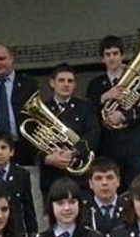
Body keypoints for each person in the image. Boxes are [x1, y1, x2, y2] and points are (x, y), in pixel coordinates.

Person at [88, 33, 140, 188]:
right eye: (107, 54)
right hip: (108, 148)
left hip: (134, 147)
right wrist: (104, 97)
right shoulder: (95, 85)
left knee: (136, 190)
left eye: (115, 53)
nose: (112, 58)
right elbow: (88, 113)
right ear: (102, 59)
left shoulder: (138, 79)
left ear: (122, 56)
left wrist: (124, 115)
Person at [35, 63, 100, 208]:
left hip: (79, 176)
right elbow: (32, 141)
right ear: (52, 83)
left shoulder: (86, 107)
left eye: (70, 81)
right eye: (61, 80)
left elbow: (94, 134)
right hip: (51, 176)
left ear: (75, 84)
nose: (66, 84)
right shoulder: (42, 109)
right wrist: (47, 158)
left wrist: (75, 153)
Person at [85, 158, 125, 237]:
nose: (104, 183)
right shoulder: (83, 211)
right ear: (90, 183)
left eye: (109, 177)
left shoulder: (129, 208)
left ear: (118, 181)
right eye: (98, 178)